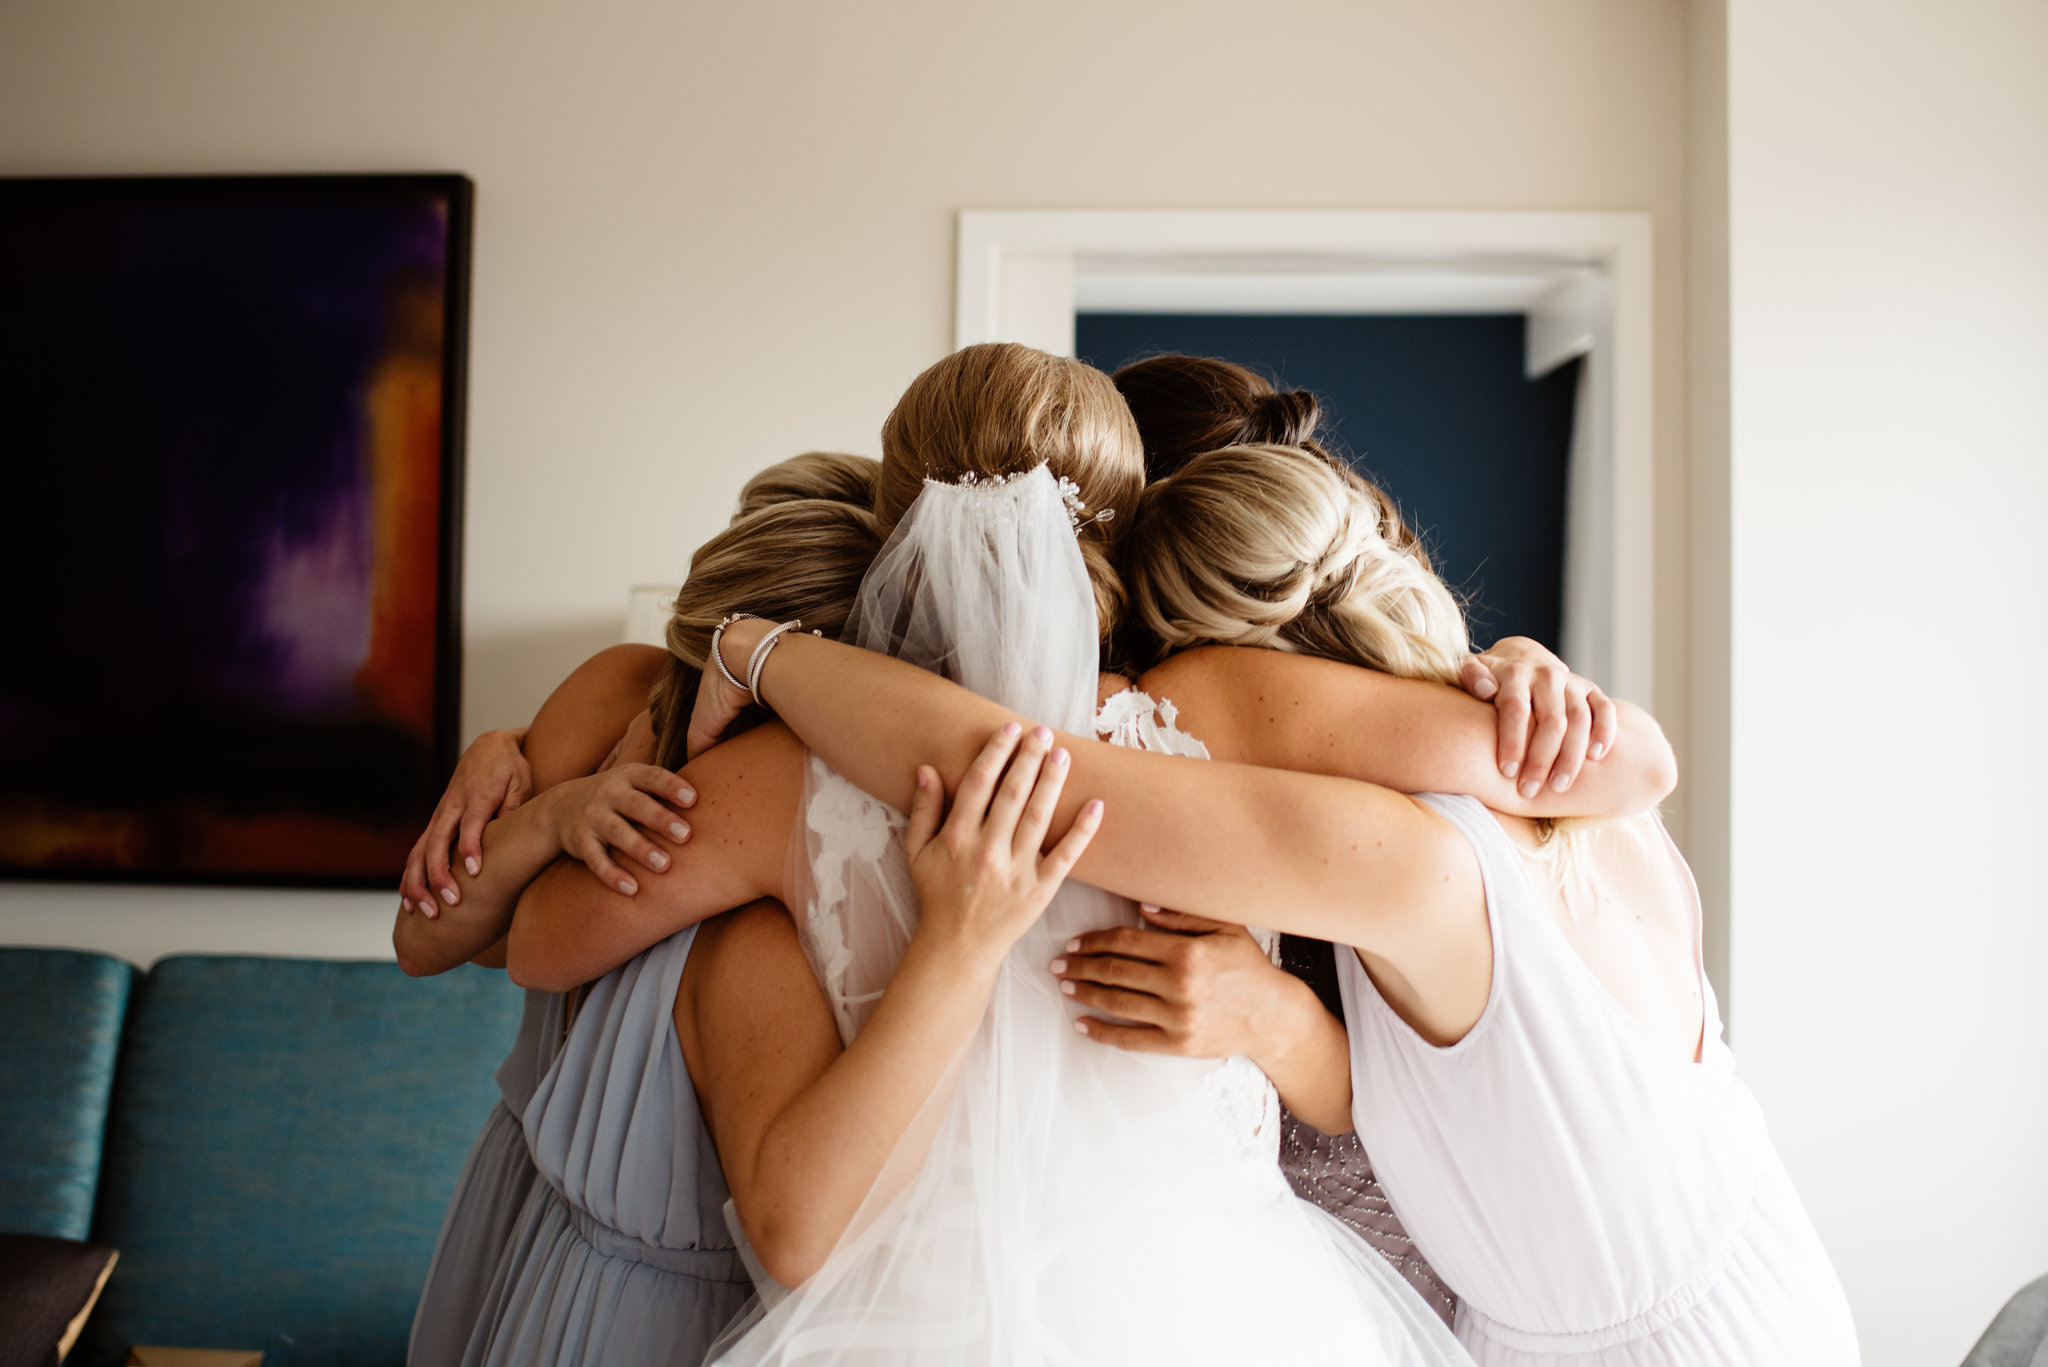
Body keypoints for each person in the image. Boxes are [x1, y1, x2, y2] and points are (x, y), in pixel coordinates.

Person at [482, 346, 1673, 1361]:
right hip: (1235, 1308)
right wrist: (1530, 680)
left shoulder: (775, 774)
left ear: (886, 520)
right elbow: (1597, 776)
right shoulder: (1217, 707)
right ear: (1135, 519)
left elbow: (536, 941)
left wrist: (565, 791)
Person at [687, 438, 1858, 1366]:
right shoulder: (1576, 785)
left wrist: (752, 650)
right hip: (1773, 1288)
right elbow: (1642, 767)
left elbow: (1027, 775)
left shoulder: (1399, 856)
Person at [395, 454, 881, 1365]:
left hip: (675, 1303)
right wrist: (548, 814)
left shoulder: (802, 841)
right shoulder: (621, 685)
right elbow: (426, 942)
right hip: (524, 1205)